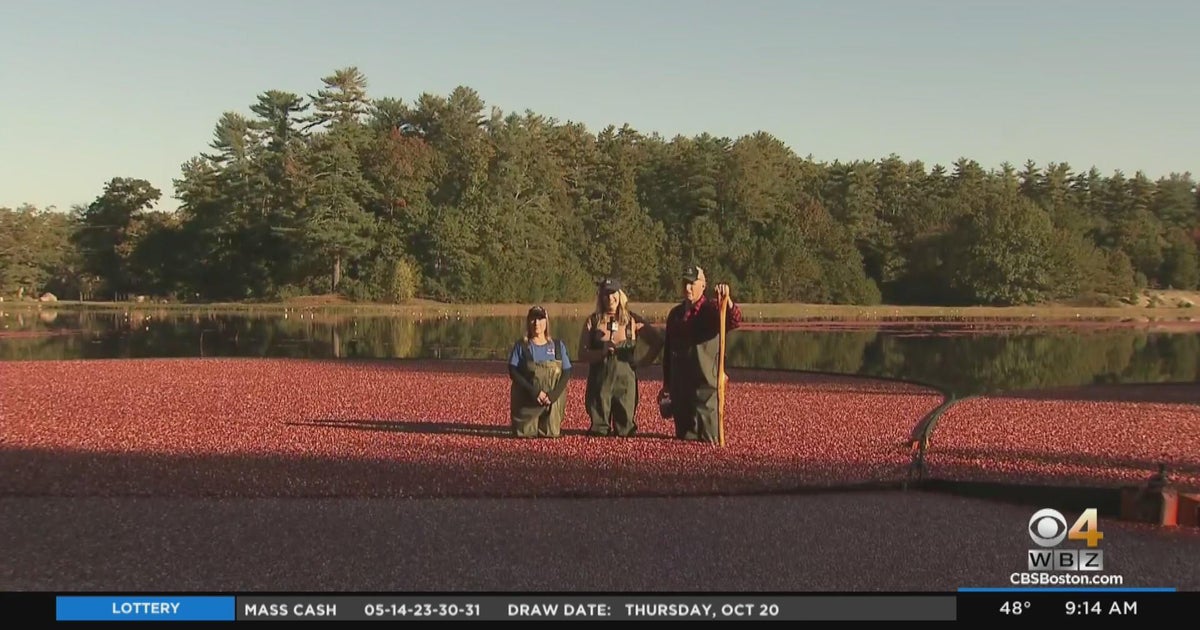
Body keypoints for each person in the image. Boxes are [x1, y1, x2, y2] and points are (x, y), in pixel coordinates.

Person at [660, 265, 742, 443]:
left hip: (705, 391)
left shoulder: (711, 310)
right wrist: (667, 385)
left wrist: (727, 301)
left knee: (707, 440)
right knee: (684, 441)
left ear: (703, 285)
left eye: (692, 283)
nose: (687, 288)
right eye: (685, 283)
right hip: (680, 391)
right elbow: (668, 351)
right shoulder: (675, 314)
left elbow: (733, 319)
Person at [577, 278, 664, 437]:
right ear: (601, 297)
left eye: (613, 293)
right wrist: (601, 352)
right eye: (606, 294)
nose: (610, 298)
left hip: (625, 384)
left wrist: (642, 362)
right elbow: (582, 354)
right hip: (599, 385)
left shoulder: (632, 320)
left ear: (620, 294)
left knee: (626, 431)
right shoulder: (593, 321)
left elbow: (657, 342)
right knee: (598, 431)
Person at [508, 306, 572, 438]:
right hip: (527, 400)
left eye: (540, 319)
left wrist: (553, 395)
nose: (537, 323)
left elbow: (567, 372)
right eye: (533, 319)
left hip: (551, 402)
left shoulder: (558, 346)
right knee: (524, 435)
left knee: (551, 434)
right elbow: (513, 371)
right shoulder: (521, 346)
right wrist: (534, 392)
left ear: (546, 322)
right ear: (528, 322)